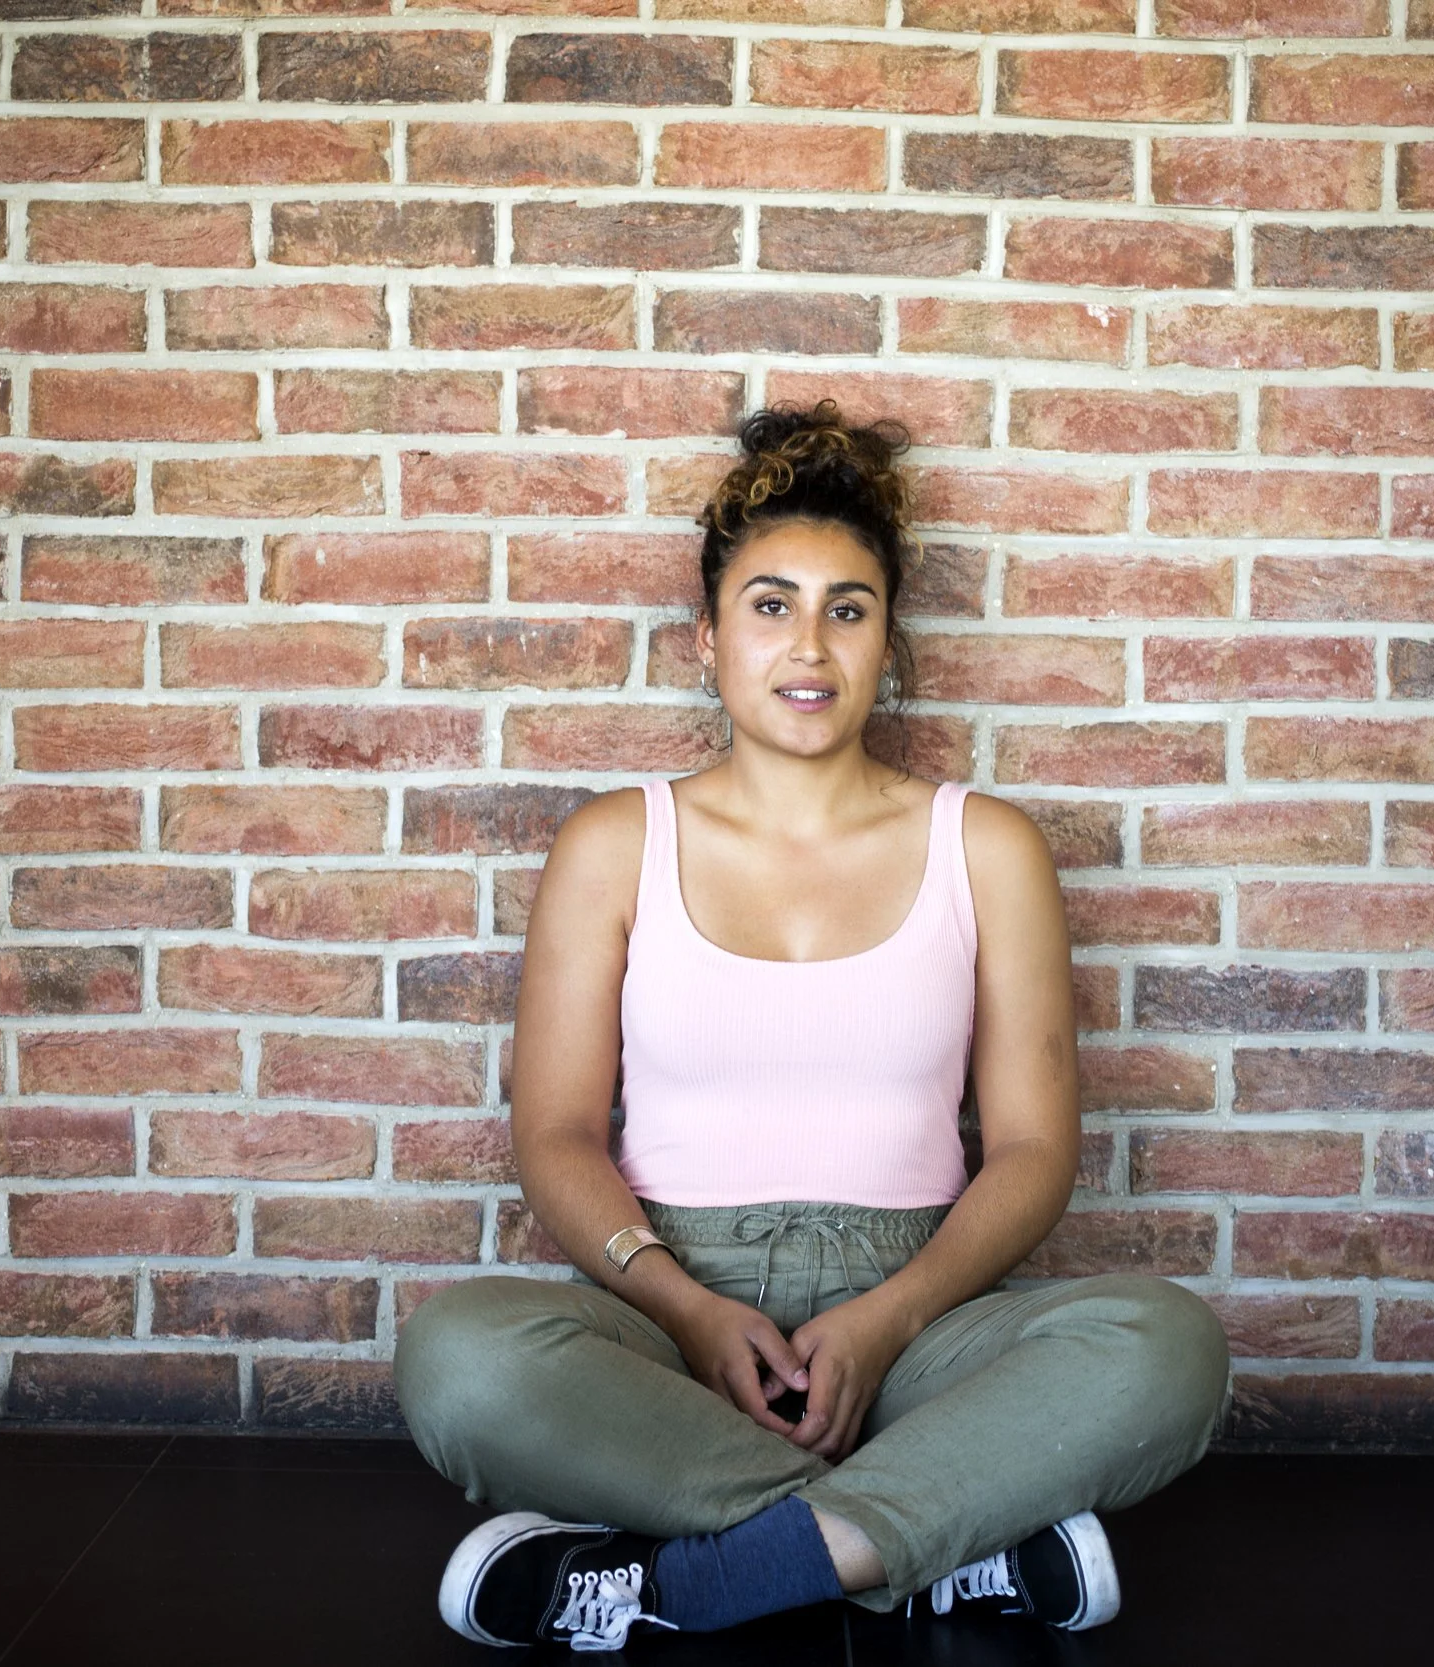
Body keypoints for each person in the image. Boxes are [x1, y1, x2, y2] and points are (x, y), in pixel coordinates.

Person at [393, 400, 1231, 1652]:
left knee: (1168, 1346)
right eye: (770, 603)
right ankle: (941, 1535)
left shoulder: (984, 846)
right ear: (706, 638)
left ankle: (688, 1579)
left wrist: (887, 1317)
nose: (810, 642)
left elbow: (1033, 1151)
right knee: (462, 1358)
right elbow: (559, 1135)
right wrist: (686, 1309)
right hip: (672, 1318)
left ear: (888, 643)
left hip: (921, 1323)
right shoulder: (614, 843)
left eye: (849, 607)